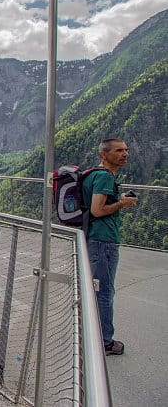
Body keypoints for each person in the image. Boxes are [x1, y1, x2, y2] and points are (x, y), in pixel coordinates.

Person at [82, 138, 138, 356]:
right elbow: (98, 210)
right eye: (119, 150)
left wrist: (118, 201)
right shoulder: (105, 176)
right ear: (104, 154)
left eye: (126, 150)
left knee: (97, 289)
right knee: (104, 291)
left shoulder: (95, 174)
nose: (125, 154)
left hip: (94, 238)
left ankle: (92, 334)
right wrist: (122, 203)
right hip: (103, 240)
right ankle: (105, 341)